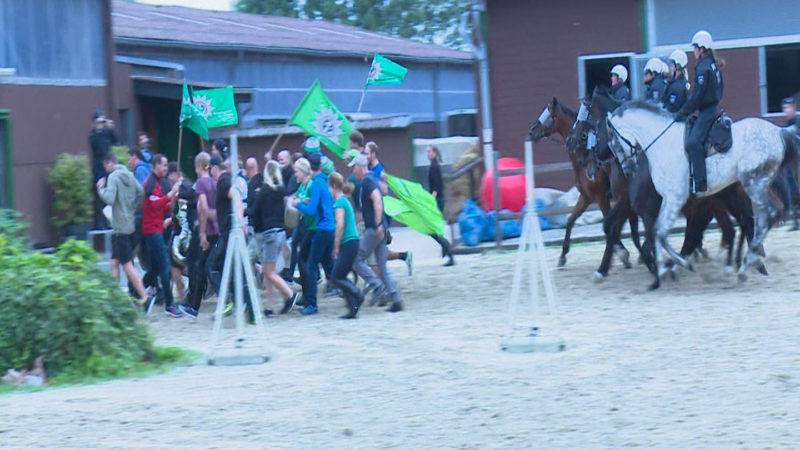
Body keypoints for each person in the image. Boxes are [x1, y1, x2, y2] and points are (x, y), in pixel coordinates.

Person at [96, 152, 153, 310]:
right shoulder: (128, 174)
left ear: (109, 163)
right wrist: (134, 209)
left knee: (127, 265)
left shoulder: (113, 177)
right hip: (129, 223)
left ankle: (145, 298)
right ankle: (117, 299)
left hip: (120, 227)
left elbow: (109, 198)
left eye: (105, 166)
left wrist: (101, 188)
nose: (105, 169)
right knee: (114, 262)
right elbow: (141, 192)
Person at [349, 154, 403, 312]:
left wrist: (377, 223)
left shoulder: (366, 180)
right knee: (382, 265)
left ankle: (377, 286)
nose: (353, 171)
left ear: (360, 167)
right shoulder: (372, 177)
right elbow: (384, 191)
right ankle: (396, 299)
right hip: (381, 227)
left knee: (356, 259)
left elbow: (377, 200)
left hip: (374, 228)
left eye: (354, 167)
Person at [675, 30, 724, 194]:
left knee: (693, 143)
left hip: (707, 111)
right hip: (711, 107)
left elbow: (698, 94)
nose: (693, 51)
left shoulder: (703, 67)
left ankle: (700, 182)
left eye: (695, 48)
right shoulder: (712, 64)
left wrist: (684, 111)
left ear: (701, 48)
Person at [249, 160, 298, 315]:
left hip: (269, 233)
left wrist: (242, 210)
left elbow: (255, 212)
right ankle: (269, 306)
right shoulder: (281, 190)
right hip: (280, 232)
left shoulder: (264, 190)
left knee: (268, 271)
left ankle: (289, 294)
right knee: (268, 270)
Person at [293, 152, 335, 315]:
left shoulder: (316, 183)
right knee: (326, 265)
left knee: (310, 264)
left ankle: (312, 303)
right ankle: (351, 294)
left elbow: (310, 210)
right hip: (325, 227)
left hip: (320, 228)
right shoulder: (324, 181)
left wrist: (298, 204)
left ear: (309, 167)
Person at [179, 152, 219, 319]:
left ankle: (195, 307)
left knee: (201, 268)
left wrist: (202, 232)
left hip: (207, 231)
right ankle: (194, 305)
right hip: (216, 229)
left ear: (197, 167)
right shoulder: (213, 182)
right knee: (206, 267)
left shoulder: (201, 183)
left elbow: (202, 208)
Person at [142, 154, 182, 317]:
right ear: (156, 166)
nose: (166, 169)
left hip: (156, 229)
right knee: (165, 265)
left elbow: (161, 207)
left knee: (155, 268)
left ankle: (134, 291)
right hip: (151, 231)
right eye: (164, 166)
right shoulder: (150, 183)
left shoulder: (159, 182)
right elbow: (154, 203)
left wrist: (171, 203)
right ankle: (169, 304)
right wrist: (170, 195)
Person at [364, 141, 412, 274]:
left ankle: (381, 281)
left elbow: (385, 191)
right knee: (378, 250)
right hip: (375, 215)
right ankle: (403, 257)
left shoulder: (380, 171)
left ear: (373, 154)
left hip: (381, 215)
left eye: (367, 153)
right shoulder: (369, 169)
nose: (365, 156)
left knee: (375, 251)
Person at [328, 172, 364, 319]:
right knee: (341, 275)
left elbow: (340, 225)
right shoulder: (344, 200)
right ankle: (352, 308)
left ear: (334, 186)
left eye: (328, 187)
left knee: (336, 277)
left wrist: (336, 247)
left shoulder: (340, 203)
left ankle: (357, 294)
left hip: (348, 242)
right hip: (352, 242)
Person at [426, 145, 456, 267]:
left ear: (434, 153)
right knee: (436, 228)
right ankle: (446, 251)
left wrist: (431, 202)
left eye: (429, 151)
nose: (427, 154)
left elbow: (436, 187)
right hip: (438, 200)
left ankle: (448, 252)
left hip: (436, 200)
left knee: (433, 230)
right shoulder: (434, 165)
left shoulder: (434, 166)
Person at [89, 110, 118, 228]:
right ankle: (101, 223)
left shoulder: (107, 132)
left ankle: (110, 221)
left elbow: (116, 140)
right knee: (100, 195)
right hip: (98, 167)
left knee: (110, 192)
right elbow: (96, 147)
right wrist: (98, 129)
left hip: (108, 166)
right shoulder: (93, 134)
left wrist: (111, 128)